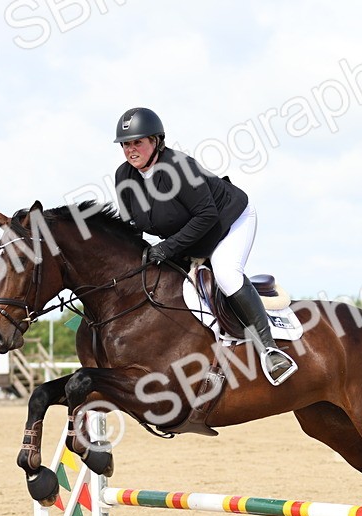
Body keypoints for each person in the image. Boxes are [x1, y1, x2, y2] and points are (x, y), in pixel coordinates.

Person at [112, 107, 297, 386]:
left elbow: (207, 216)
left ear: (156, 141)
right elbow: (130, 227)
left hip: (228, 221)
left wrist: (167, 248)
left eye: (137, 142)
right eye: (126, 144)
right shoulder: (124, 177)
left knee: (226, 273)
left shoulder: (179, 167)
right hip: (190, 234)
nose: (131, 150)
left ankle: (270, 350)